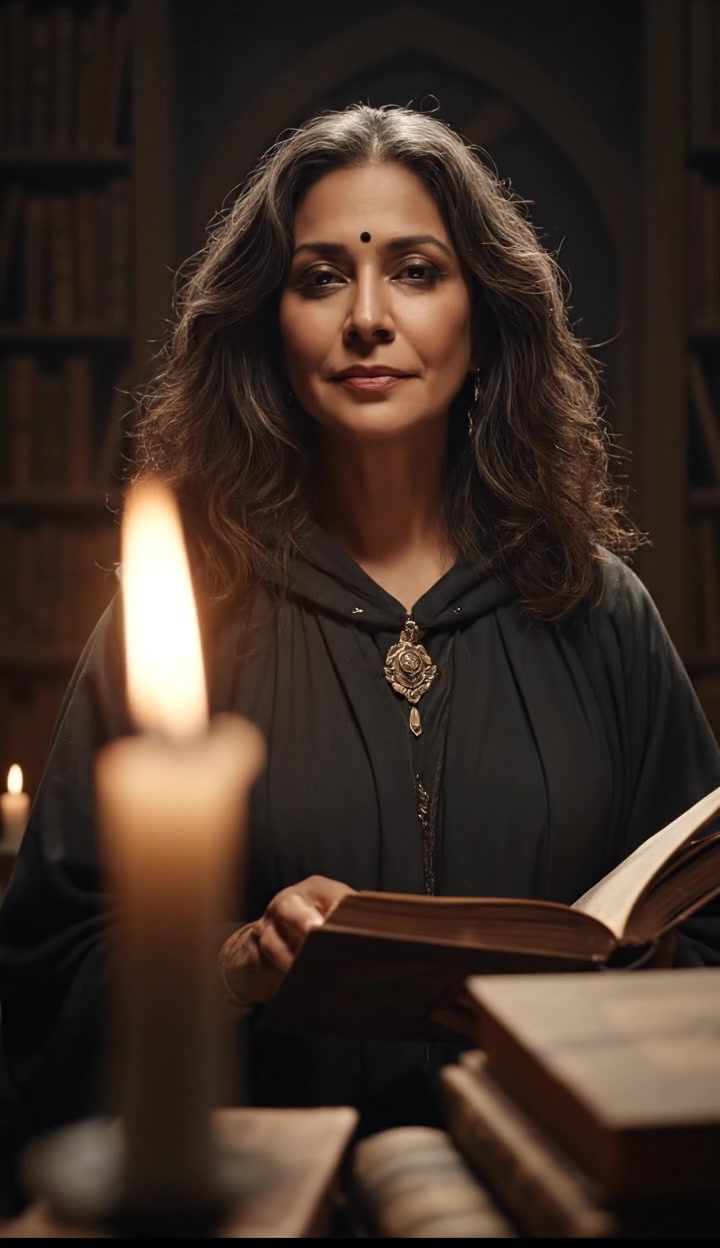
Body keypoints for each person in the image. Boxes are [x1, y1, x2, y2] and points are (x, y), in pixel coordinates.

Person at [0, 103, 719, 1153]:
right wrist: (231, 965)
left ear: (483, 319)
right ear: (269, 323)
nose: (368, 316)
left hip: (549, 1190)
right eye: (322, 275)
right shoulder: (180, 618)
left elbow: (707, 930)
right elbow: (45, 964)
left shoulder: (600, 610)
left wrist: (604, 984)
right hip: (271, 1195)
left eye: (417, 271)